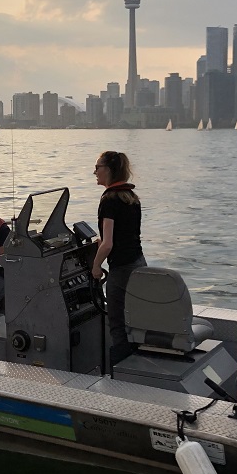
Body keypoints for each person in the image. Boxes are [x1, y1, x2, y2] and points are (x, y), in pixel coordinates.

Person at [91, 150, 146, 364]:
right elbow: (127, 235)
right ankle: (137, 366)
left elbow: (108, 244)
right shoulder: (132, 198)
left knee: (117, 324)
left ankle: (121, 374)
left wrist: (96, 266)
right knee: (134, 319)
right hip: (138, 263)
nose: (94, 172)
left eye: (98, 167)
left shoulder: (109, 200)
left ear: (109, 170)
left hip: (121, 269)